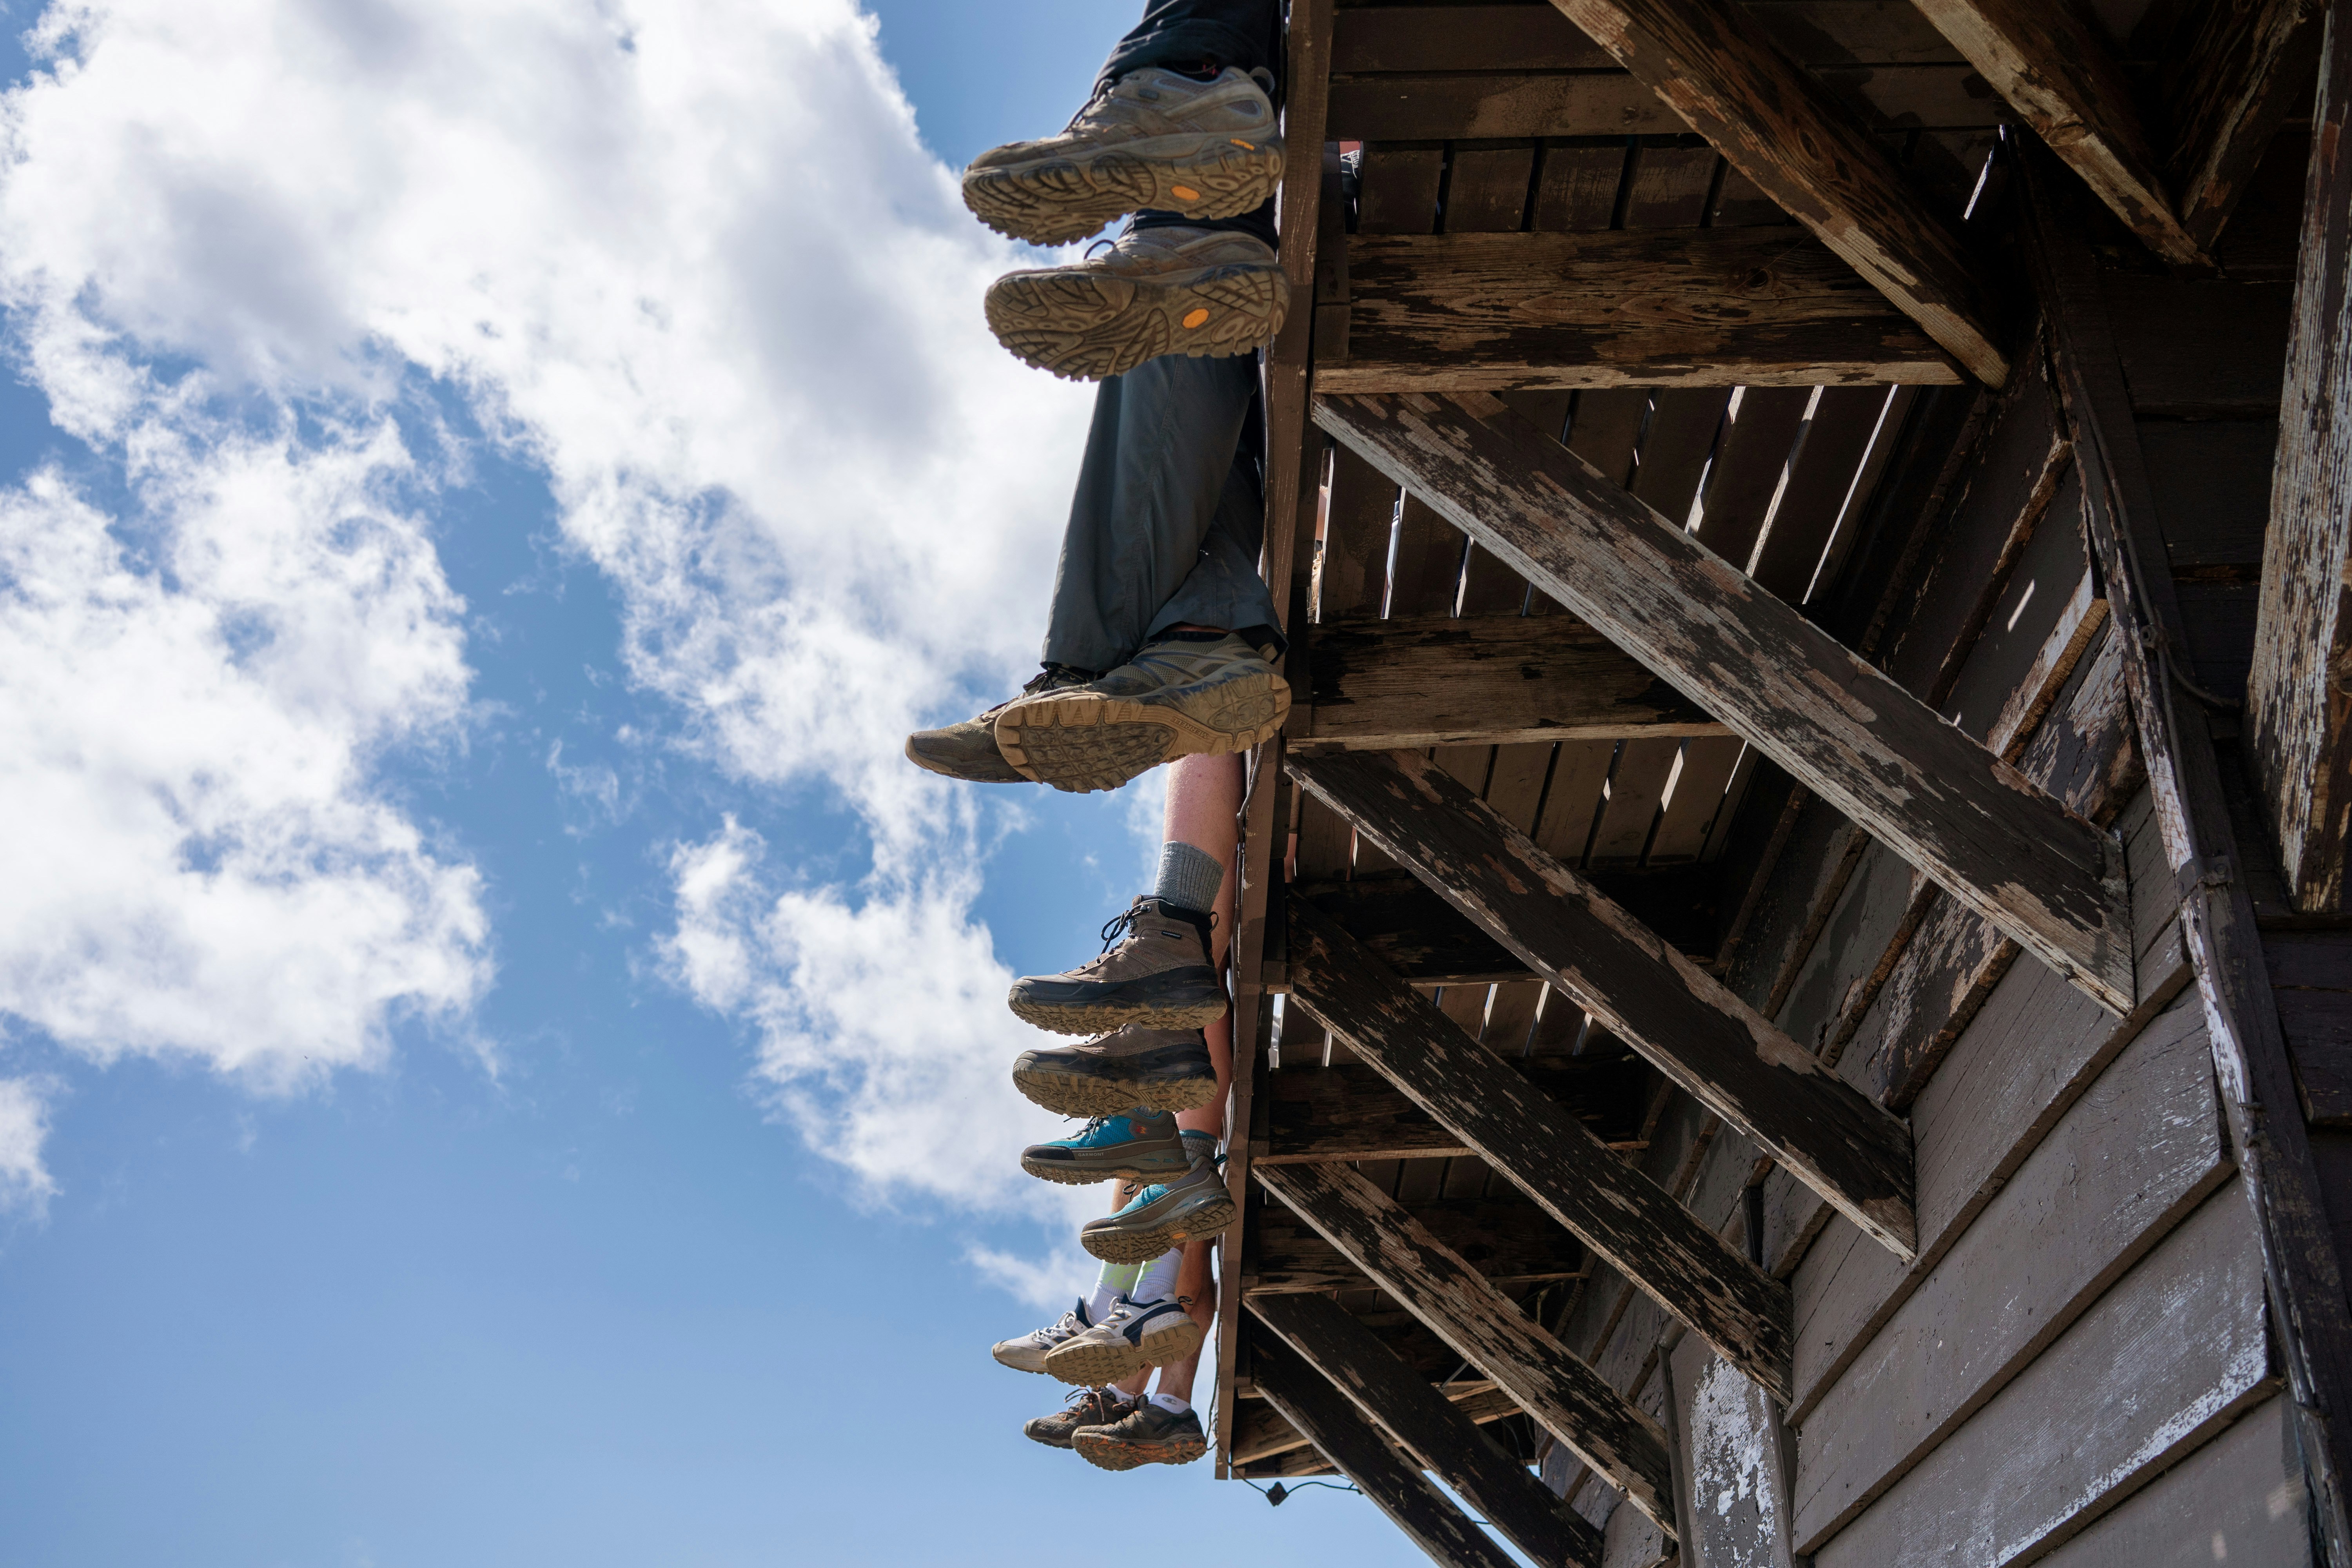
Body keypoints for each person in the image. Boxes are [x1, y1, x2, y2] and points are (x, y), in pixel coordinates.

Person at [905, 0, 1294, 799]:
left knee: (1176, 321)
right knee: (1191, 317)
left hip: (1306, 197)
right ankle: (1197, 633)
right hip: (1295, 212)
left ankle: (1094, 664)